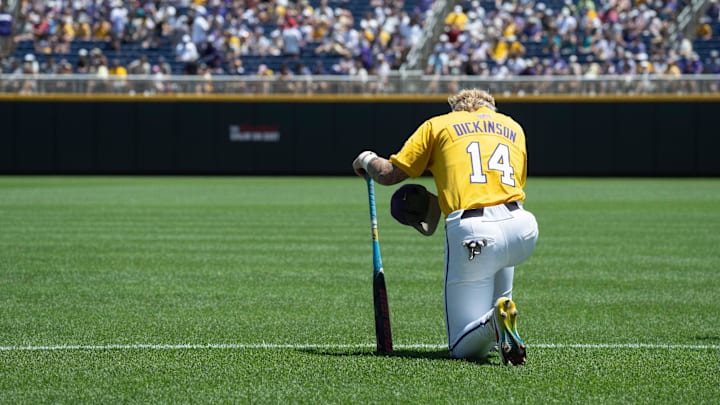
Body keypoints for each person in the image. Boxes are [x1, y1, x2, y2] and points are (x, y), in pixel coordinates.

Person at [352, 88, 539, 365]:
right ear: (490, 107)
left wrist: (366, 159)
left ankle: (493, 325)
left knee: (462, 347)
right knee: (501, 297)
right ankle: (501, 324)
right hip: (522, 228)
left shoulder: (438, 125)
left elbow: (389, 174)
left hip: (475, 231)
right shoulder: (512, 126)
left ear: (456, 107)